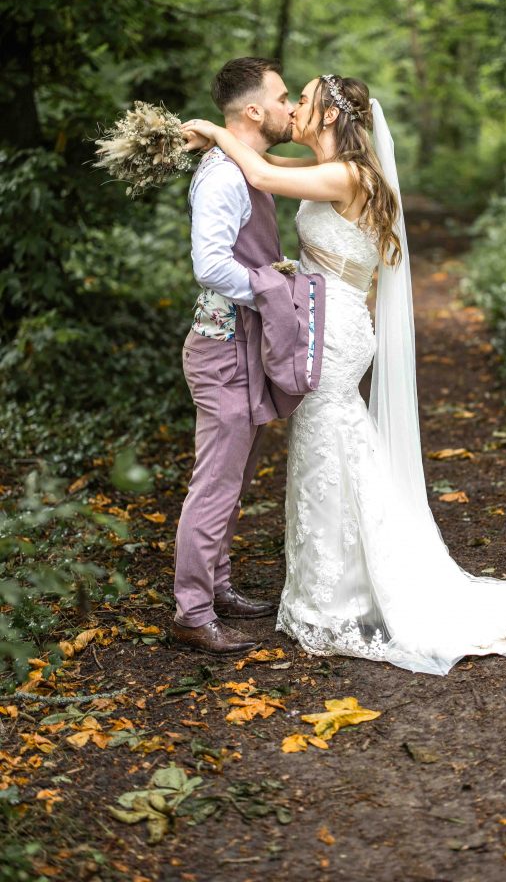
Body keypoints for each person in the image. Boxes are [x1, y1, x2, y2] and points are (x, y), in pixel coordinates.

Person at [181, 74, 506, 675]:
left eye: (302, 100)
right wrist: (226, 141)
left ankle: (342, 593)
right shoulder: (326, 167)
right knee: (328, 444)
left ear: (329, 116)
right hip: (329, 322)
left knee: (330, 443)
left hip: (332, 330)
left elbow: (259, 173)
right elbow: (257, 156)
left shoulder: (347, 176)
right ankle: (332, 582)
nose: (295, 109)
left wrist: (208, 131)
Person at [172, 56, 316, 657]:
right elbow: (209, 267)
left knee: (232, 482)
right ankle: (192, 611)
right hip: (223, 348)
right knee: (215, 483)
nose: (289, 107)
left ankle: (219, 585)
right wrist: (275, 285)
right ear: (254, 109)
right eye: (283, 97)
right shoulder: (224, 177)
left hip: (245, 344)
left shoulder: (243, 166)